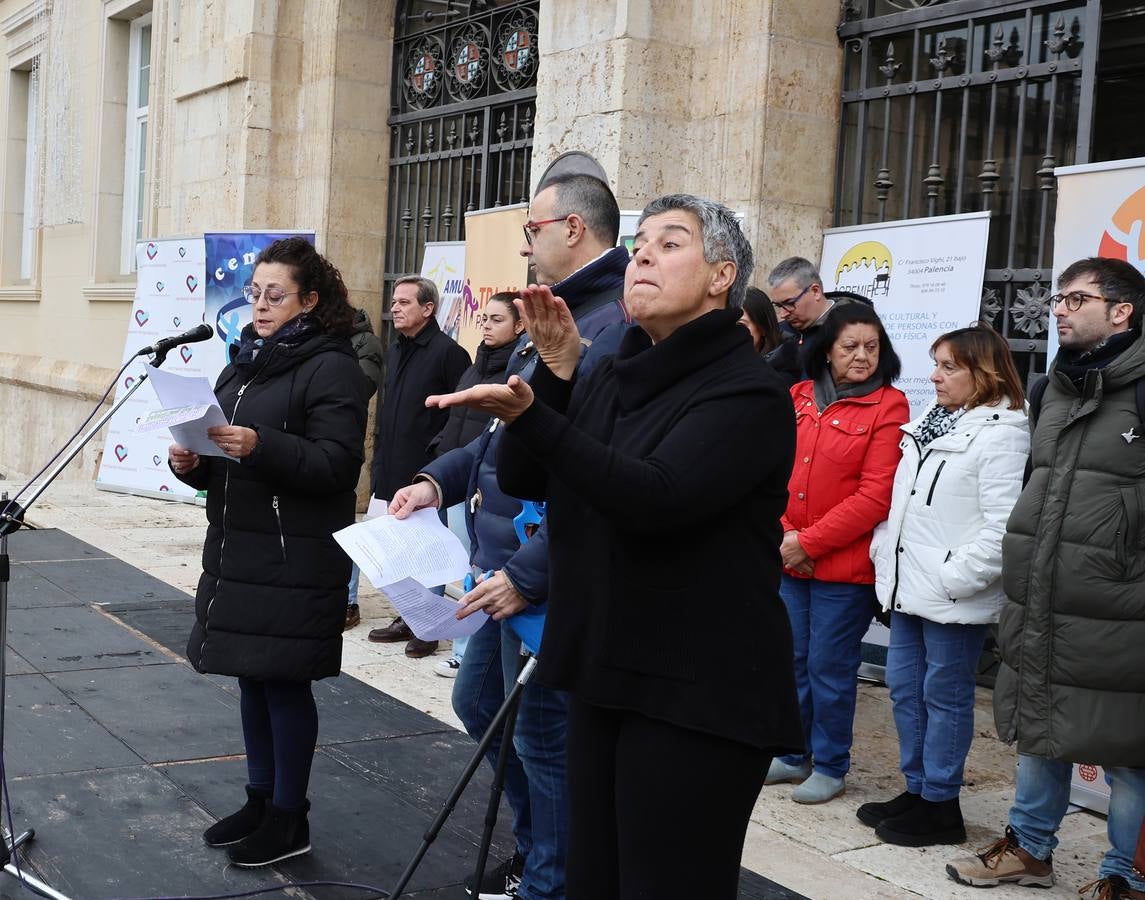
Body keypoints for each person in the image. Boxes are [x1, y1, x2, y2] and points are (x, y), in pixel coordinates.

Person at [427, 194, 803, 900]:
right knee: (594, 881)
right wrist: (560, 373)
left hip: (696, 694)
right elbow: (526, 474)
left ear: (721, 275)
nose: (643, 258)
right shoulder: (616, 370)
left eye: (669, 244)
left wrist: (543, 410)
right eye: (639, 246)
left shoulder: (747, 392)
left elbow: (654, 498)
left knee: (664, 885)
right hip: (605, 670)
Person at [394, 171, 630, 900]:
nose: (525, 242)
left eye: (533, 228)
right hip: (501, 566)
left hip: (539, 577)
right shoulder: (552, 315)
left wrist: (530, 571)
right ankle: (539, 849)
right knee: (478, 708)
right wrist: (437, 479)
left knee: (542, 737)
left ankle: (554, 878)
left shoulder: (609, 326)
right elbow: (504, 440)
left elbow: (592, 477)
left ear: (573, 229)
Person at [947, 257, 1145, 898]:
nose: (1057, 308)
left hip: (1122, 606)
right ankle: (1030, 851)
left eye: (1075, 298)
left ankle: (1125, 875)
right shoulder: (1051, 386)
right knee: (1041, 728)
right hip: (1046, 595)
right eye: (1057, 297)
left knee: (1129, 749)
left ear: (1122, 311)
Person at [168, 237, 368, 867]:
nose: (259, 305)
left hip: (294, 556)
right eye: (254, 293)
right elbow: (227, 457)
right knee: (252, 678)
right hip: (241, 546)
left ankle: (290, 817)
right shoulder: (243, 362)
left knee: (283, 685)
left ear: (309, 301)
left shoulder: (332, 367)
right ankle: (261, 799)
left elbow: (340, 465)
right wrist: (193, 464)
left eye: (274, 295)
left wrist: (263, 446)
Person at [860, 326, 1028, 847]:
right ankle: (918, 789)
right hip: (912, 587)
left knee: (945, 696)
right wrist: (886, 555)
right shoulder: (931, 425)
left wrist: (954, 577)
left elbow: (1004, 526)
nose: (934, 375)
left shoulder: (1004, 432)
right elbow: (902, 505)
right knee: (906, 688)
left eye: (949, 366)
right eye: (935, 363)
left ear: (986, 372)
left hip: (952, 594)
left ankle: (941, 804)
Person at [764, 302, 909, 804]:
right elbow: (772, 470)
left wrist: (808, 542)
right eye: (850, 347)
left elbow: (874, 495)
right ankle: (791, 753)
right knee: (792, 660)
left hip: (842, 570)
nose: (862, 356)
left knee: (829, 666)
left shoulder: (890, 406)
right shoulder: (799, 396)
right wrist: (787, 536)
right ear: (826, 351)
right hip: (788, 556)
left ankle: (829, 763)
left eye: (872, 347)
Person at [368, 275, 471, 658]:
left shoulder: (449, 353)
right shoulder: (395, 351)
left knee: (429, 553)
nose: (395, 308)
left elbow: (459, 415)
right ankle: (408, 617)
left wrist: (437, 462)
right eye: (394, 301)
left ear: (428, 309)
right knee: (401, 553)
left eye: (404, 302)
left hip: (429, 473)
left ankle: (428, 627)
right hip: (392, 465)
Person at [427, 292, 524, 678]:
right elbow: (466, 429)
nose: (485, 325)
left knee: (475, 566)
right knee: (462, 566)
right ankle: (454, 638)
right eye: (483, 318)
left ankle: (464, 648)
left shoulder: (515, 370)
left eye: (497, 319)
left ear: (520, 326)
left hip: (489, 492)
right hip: (461, 479)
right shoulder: (476, 363)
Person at [344, 307, 385, 631]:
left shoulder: (365, 342)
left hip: (344, 444)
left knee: (347, 526)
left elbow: (359, 388)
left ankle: (348, 601)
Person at [764, 257, 861, 380]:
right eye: (778, 306)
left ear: (815, 291)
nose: (783, 314)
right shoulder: (779, 332)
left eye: (789, 303)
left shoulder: (855, 329)